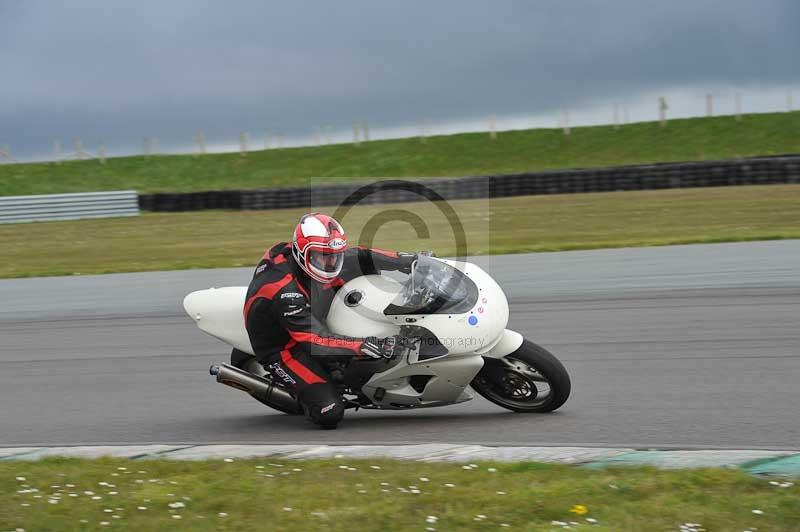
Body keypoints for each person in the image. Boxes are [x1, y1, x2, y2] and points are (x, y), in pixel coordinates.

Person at [241, 213, 416, 428]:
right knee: (329, 412)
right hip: (283, 345)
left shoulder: (316, 258)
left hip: (307, 312)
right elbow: (315, 341)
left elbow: (359, 255)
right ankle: (304, 395)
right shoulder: (285, 291)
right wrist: (366, 344)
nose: (331, 262)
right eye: (323, 256)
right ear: (302, 253)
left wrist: (406, 260)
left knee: (360, 266)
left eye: (335, 255)